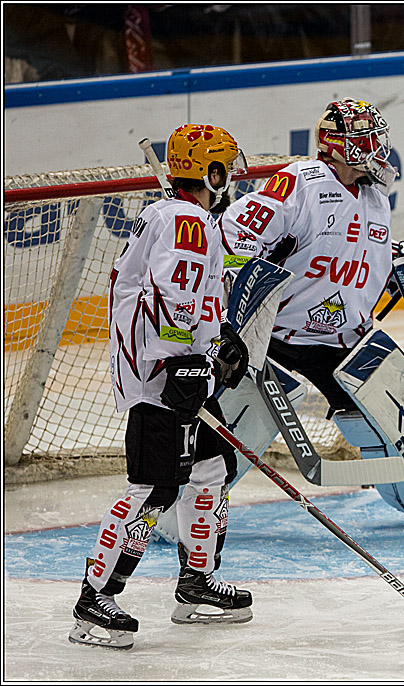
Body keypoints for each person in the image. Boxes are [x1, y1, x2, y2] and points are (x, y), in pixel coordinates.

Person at [217, 98, 404, 528]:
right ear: (341, 145)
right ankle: (187, 504)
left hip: (343, 339)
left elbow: (366, 264)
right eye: (368, 137)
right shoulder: (301, 182)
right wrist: (235, 317)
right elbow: (232, 241)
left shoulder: (374, 197)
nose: (379, 146)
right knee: (240, 423)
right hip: (274, 337)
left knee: (401, 413)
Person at [70, 124, 252, 650]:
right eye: (226, 167)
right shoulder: (185, 219)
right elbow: (172, 300)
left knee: (214, 468)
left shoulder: (186, 218)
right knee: (154, 487)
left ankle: (196, 584)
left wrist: (219, 346)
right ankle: (94, 597)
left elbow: (193, 300)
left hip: (178, 371)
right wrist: (188, 366)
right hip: (161, 381)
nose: (233, 177)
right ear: (211, 172)